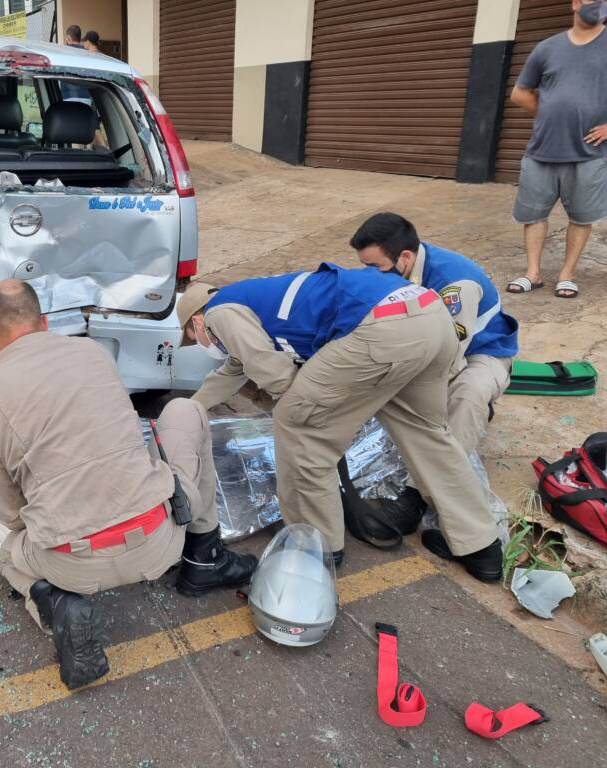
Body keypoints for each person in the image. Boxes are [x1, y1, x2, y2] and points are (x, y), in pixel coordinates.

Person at [0, 279, 255, 689]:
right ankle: (204, 559)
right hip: (160, 537)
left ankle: (58, 603)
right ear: (44, 322)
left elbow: (11, 515)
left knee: (12, 553)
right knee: (185, 411)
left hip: (72, 564)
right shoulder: (91, 353)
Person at [177, 265, 503, 582]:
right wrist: (186, 413)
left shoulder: (219, 312)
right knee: (428, 434)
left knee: (298, 425)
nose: (202, 343)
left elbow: (269, 368)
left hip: (382, 329)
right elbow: (234, 369)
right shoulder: (253, 299)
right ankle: (481, 547)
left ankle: (316, 547)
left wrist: (310, 410)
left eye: (194, 337)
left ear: (197, 319)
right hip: (429, 316)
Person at [352, 213, 520, 528]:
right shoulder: (398, 265)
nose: (370, 273)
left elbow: (451, 354)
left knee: (466, 398)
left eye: (374, 266)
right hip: (429, 346)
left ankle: (417, 498)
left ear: (404, 257)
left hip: (480, 353)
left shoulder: (455, 282)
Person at [506, 0, 607, 300]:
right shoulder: (547, 48)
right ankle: (532, 273)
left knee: (581, 217)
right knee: (533, 215)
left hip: (589, 153)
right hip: (542, 150)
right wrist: (551, 114)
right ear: (576, 4)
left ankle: (566, 275)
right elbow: (519, 93)